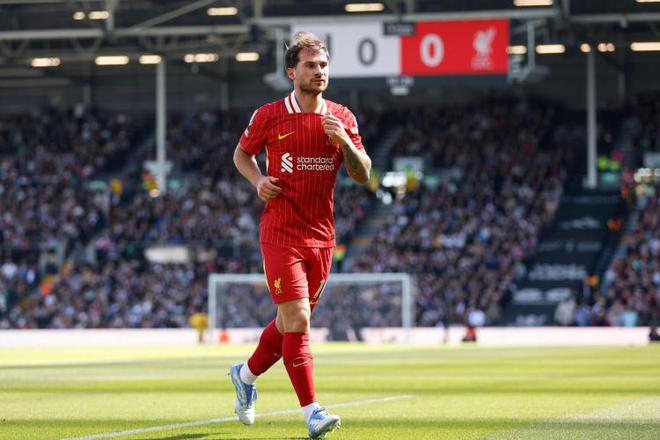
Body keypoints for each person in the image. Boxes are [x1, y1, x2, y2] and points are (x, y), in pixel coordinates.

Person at [230, 31, 371, 439]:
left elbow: (363, 175)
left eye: (323, 65)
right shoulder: (270, 115)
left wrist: (344, 142)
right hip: (280, 232)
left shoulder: (342, 118)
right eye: (310, 65)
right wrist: (258, 180)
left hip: (321, 237)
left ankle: (245, 375)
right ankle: (312, 411)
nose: (319, 72)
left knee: (286, 323)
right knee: (299, 319)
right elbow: (242, 154)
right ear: (292, 72)